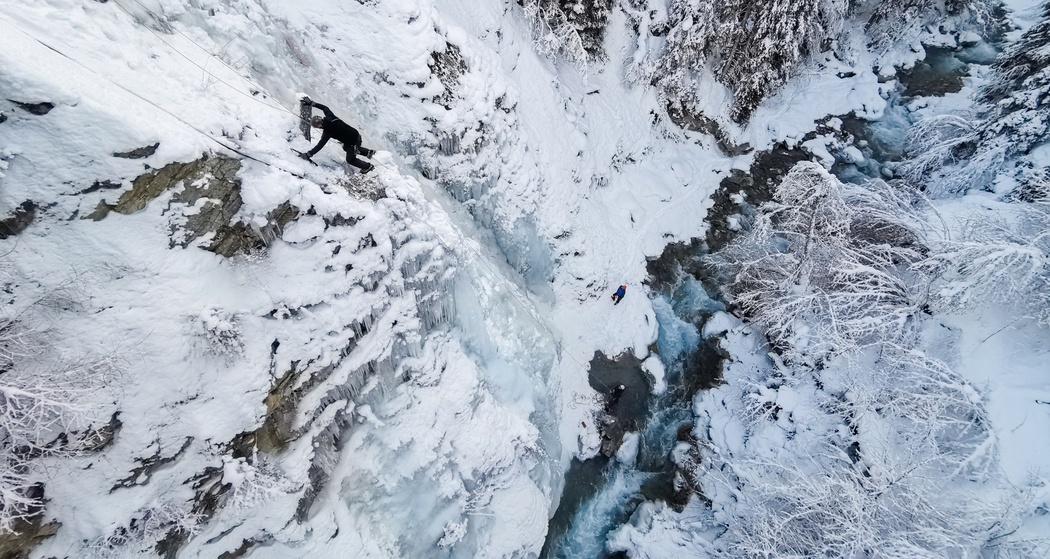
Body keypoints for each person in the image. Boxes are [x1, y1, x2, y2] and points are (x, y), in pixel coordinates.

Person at [299, 98, 375, 174]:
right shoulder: (330, 116)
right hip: (356, 134)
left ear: (318, 126)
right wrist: (312, 103)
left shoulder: (327, 132)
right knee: (346, 147)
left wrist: (308, 154)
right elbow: (325, 108)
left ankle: (367, 167)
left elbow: (320, 145)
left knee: (350, 159)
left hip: (353, 142)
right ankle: (367, 152)